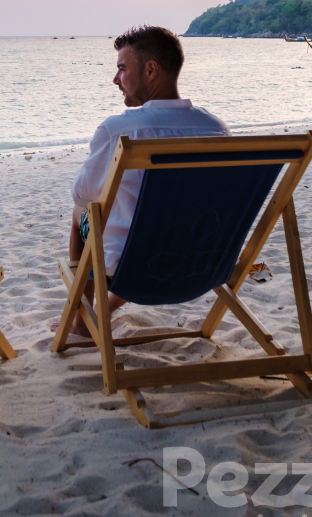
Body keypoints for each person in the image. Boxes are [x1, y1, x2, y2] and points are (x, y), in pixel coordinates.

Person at [67, 26, 229, 336]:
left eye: (122, 69)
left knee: (81, 216)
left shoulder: (118, 130)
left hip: (136, 268)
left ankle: (80, 325)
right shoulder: (216, 129)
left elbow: (82, 195)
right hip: (206, 266)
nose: (116, 80)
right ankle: (103, 310)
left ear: (150, 70)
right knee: (160, 225)